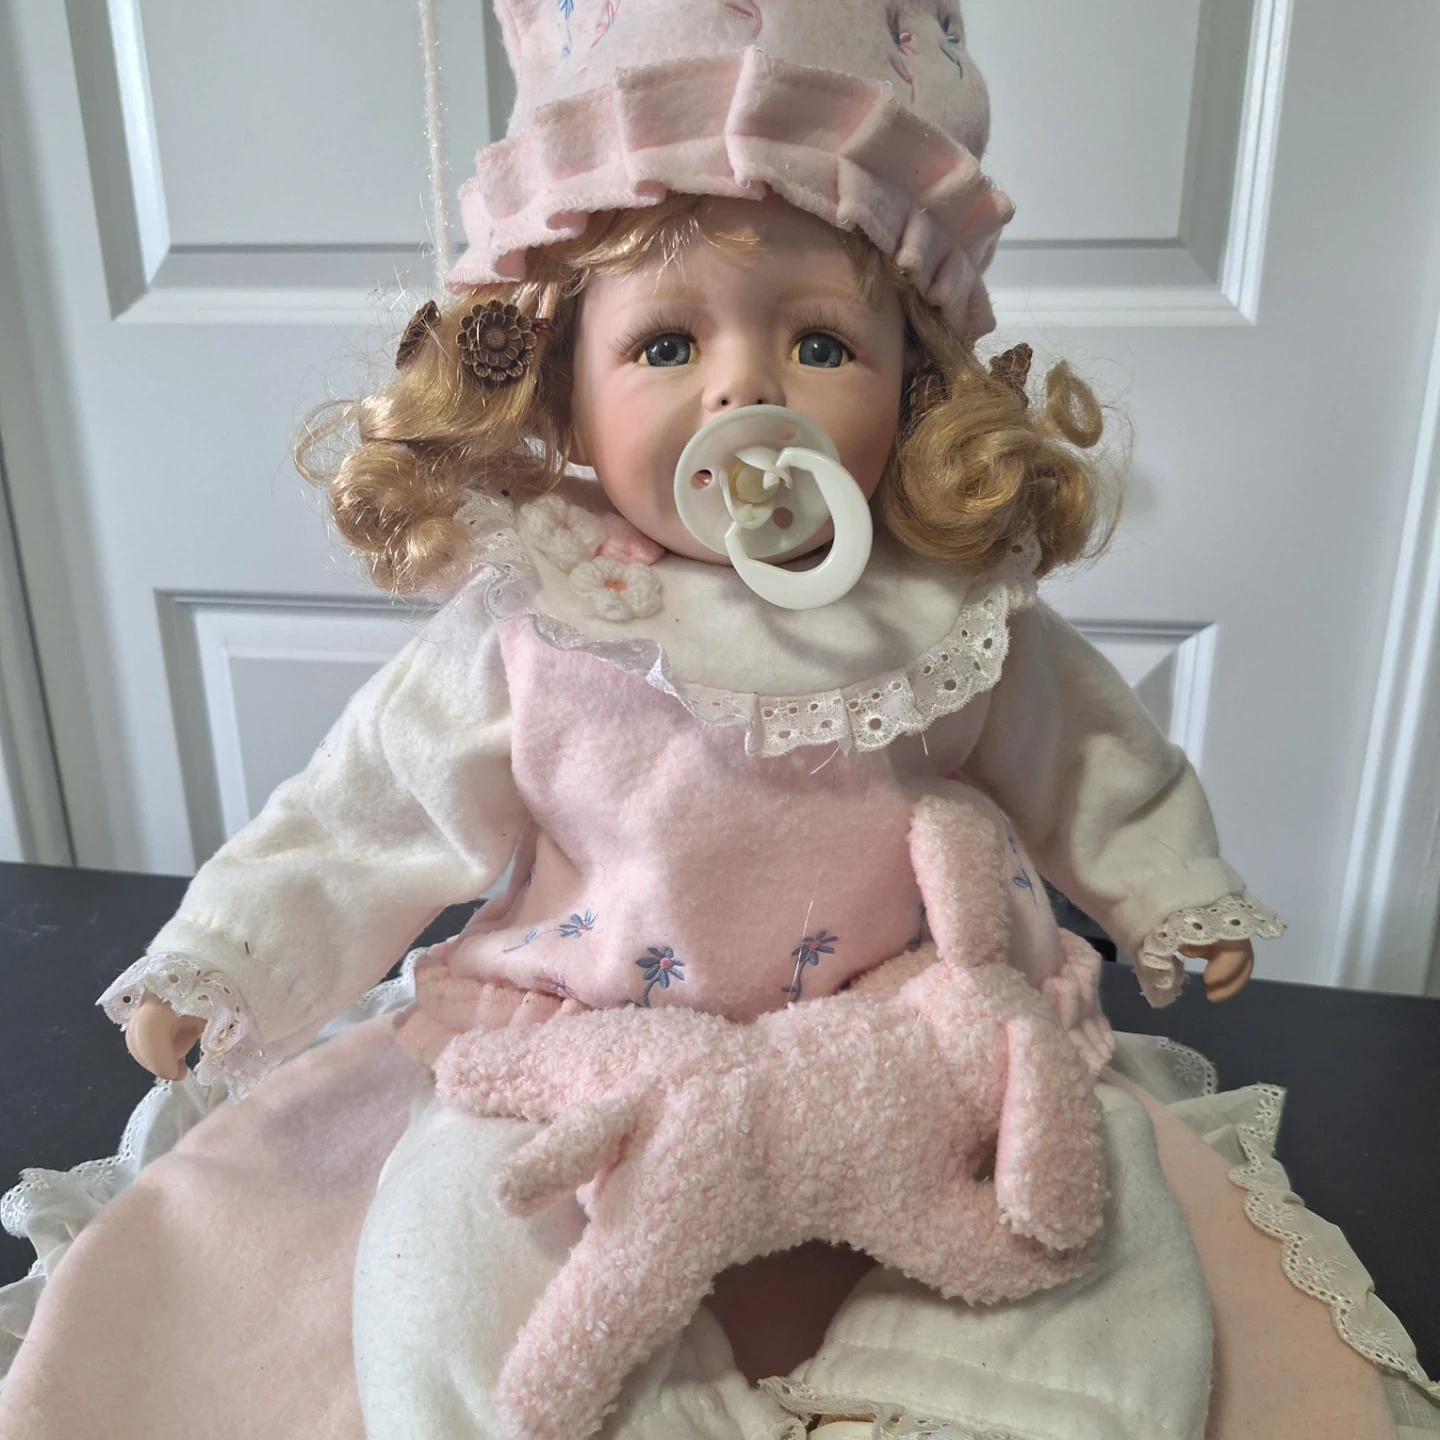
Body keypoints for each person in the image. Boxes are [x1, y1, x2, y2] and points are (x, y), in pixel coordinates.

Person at [99, 4, 1288, 1436]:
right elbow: (370, 811)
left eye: (820, 341)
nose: (745, 388)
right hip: (588, 1034)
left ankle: (976, 1400)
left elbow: (1090, 752)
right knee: (455, 1235)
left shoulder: (947, 607)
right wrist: (230, 957)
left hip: (899, 1038)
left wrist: (1171, 887)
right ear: (562, 393)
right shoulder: (542, 614)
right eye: (666, 343)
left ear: (912, 382)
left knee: (1090, 1216)